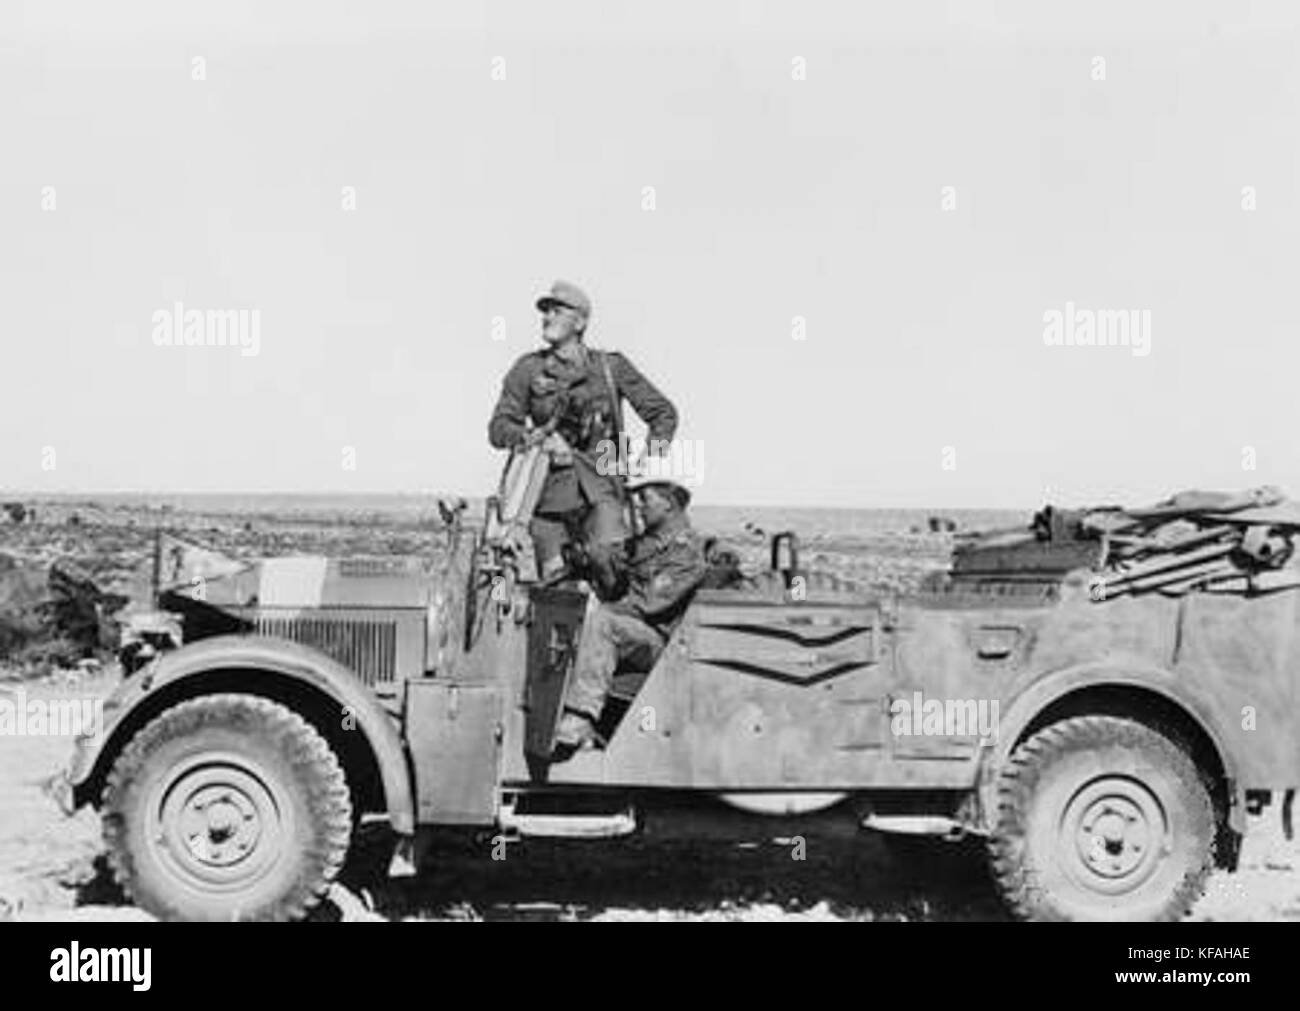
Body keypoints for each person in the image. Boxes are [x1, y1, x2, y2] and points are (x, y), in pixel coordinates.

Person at [488, 280, 678, 596]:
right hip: (548, 499)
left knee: (611, 573)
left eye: (557, 311)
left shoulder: (610, 367)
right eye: (545, 311)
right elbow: (498, 429)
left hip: (603, 487)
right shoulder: (528, 369)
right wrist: (535, 437)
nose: (547, 317)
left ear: (580, 321)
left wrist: (649, 462)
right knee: (556, 592)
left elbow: (664, 414)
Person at [552, 476, 707, 756]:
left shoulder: (686, 552)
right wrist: (587, 556)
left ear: (669, 504)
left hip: (662, 644)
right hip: (633, 630)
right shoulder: (647, 543)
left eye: (645, 498)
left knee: (602, 623)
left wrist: (599, 608)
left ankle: (581, 716)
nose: (638, 505)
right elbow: (615, 558)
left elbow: (647, 604)